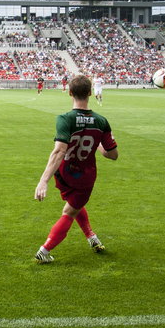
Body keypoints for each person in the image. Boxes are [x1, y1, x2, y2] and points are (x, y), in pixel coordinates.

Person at [33, 75, 118, 264]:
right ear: (90, 93)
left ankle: (91, 236)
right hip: (85, 177)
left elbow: (59, 151)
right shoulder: (101, 121)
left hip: (63, 173)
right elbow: (113, 155)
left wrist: (43, 180)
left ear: (70, 92)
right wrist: (98, 144)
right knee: (69, 211)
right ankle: (44, 251)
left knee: (74, 204)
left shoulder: (65, 118)